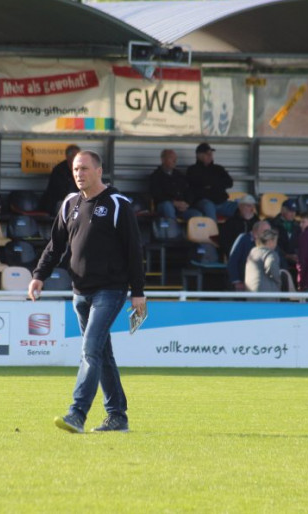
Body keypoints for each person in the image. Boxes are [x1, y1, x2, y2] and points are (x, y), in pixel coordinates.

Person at [28, 150, 146, 434]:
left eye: (84, 169)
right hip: (79, 292)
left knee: (90, 350)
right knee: (102, 355)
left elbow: (134, 251)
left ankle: (76, 414)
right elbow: (55, 245)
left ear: (98, 171)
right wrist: (39, 275)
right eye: (75, 170)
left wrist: (138, 292)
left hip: (111, 290)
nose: (79, 174)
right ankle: (117, 416)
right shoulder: (70, 203)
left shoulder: (118, 204)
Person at [186, 142, 237, 221]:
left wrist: (212, 185)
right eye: (207, 154)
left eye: (211, 153)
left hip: (222, 202)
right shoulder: (192, 170)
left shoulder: (218, 169)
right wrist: (217, 184)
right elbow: (198, 184)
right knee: (208, 206)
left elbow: (229, 183)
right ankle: (213, 232)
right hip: (203, 202)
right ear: (199, 155)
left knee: (241, 206)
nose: (210, 156)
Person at [149, 149, 201, 220]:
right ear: (163, 159)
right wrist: (174, 203)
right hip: (165, 206)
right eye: (171, 158)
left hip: (181, 207)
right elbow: (157, 195)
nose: (174, 161)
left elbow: (188, 191)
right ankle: (173, 230)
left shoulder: (179, 175)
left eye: (175, 158)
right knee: (167, 206)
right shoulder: (156, 176)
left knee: (197, 214)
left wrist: (187, 203)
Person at [226, 220, 272, 291]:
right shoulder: (243, 239)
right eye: (265, 231)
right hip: (243, 283)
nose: (268, 234)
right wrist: (237, 281)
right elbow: (233, 261)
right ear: (255, 232)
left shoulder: (270, 242)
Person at [39, 144, 80, 216]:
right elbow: (60, 192)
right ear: (69, 157)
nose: (79, 158)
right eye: (76, 156)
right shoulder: (59, 170)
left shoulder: (80, 169)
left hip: (76, 201)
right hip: (58, 202)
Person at [244, 228, 281, 296]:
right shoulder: (270, 253)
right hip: (266, 293)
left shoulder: (253, 252)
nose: (276, 245)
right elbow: (271, 266)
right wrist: (278, 280)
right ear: (270, 241)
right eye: (276, 241)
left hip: (251, 292)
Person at [270, 198, 300, 266]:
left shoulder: (297, 226)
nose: (293, 214)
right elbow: (272, 244)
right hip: (279, 261)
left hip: (294, 262)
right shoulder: (273, 224)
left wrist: (296, 254)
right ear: (283, 210)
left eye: (294, 211)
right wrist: (286, 255)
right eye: (290, 211)